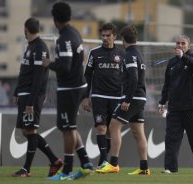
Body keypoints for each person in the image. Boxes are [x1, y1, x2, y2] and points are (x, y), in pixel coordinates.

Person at [42, 2, 93, 180]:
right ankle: (85, 163)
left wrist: (49, 64)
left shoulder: (64, 38)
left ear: (55, 19)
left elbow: (64, 66)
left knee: (67, 129)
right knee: (69, 127)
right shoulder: (75, 33)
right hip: (79, 85)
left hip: (70, 88)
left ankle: (67, 171)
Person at [96, 25, 150, 175]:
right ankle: (144, 167)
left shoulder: (129, 55)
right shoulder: (139, 53)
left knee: (113, 126)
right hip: (140, 98)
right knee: (138, 132)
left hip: (133, 97)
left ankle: (113, 164)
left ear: (122, 39)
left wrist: (127, 99)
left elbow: (133, 78)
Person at [12, 17, 63, 177]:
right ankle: (54, 160)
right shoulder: (30, 47)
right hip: (25, 94)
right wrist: (17, 91)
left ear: (26, 29)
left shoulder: (40, 47)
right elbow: (25, 72)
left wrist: (31, 101)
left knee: (30, 130)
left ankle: (26, 169)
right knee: (27, 131)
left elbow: (38, 78)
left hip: (31, 96)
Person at [158, 34, 193, 174]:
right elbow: (167, 84)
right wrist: (162, 102)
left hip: (192, 106)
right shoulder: (172, 63)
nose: (180, 46)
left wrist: (183, 56)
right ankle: (170, 168)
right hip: (174, 108)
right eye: (178, 43)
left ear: (188, 46)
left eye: (183, 43)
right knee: (171, 139)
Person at [83, 23, 125, 168]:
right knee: (101, 128)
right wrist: (85, 97)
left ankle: (107, 161)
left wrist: (126, 97)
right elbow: (87, 76)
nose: (105, 38)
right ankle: (103, 160)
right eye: (103, 35)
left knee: (110, 131)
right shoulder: (94, 53)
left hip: (116, 97)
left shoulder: (122, 54)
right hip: (98, 96)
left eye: (108, 35)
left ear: (114, 36)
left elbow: (127, 77)